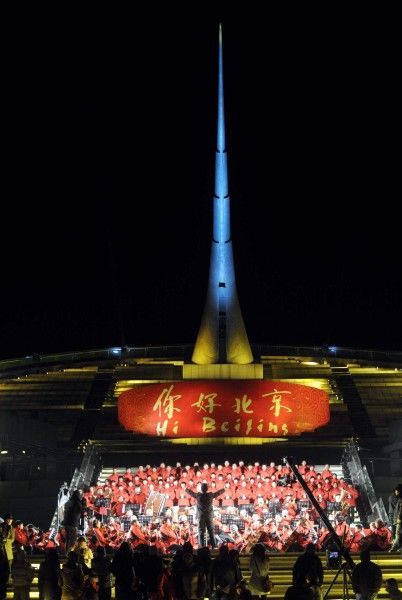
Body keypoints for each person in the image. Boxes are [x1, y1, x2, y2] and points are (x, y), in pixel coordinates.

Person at [185, 483, 224, 547]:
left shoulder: (198, 495)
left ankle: (201, 546)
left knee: (201, 531)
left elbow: (191, 493)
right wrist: (224, 489)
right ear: (207, 489)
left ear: (201, 489)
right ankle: (213, 546)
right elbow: (218, 493)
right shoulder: (210, 495)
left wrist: (186, 489)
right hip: (209, 516)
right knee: (211, 531)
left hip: (201, 516)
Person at [389, 484, 402, 552]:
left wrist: (399, 518)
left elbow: (400, 510)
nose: (396, 492)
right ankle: (395, 547)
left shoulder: (400, 499)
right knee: (397, 533)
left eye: (397, 491)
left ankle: (394, 547)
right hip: (397, 519)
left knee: (397, 533)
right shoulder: (399, 499)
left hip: (399, 519)